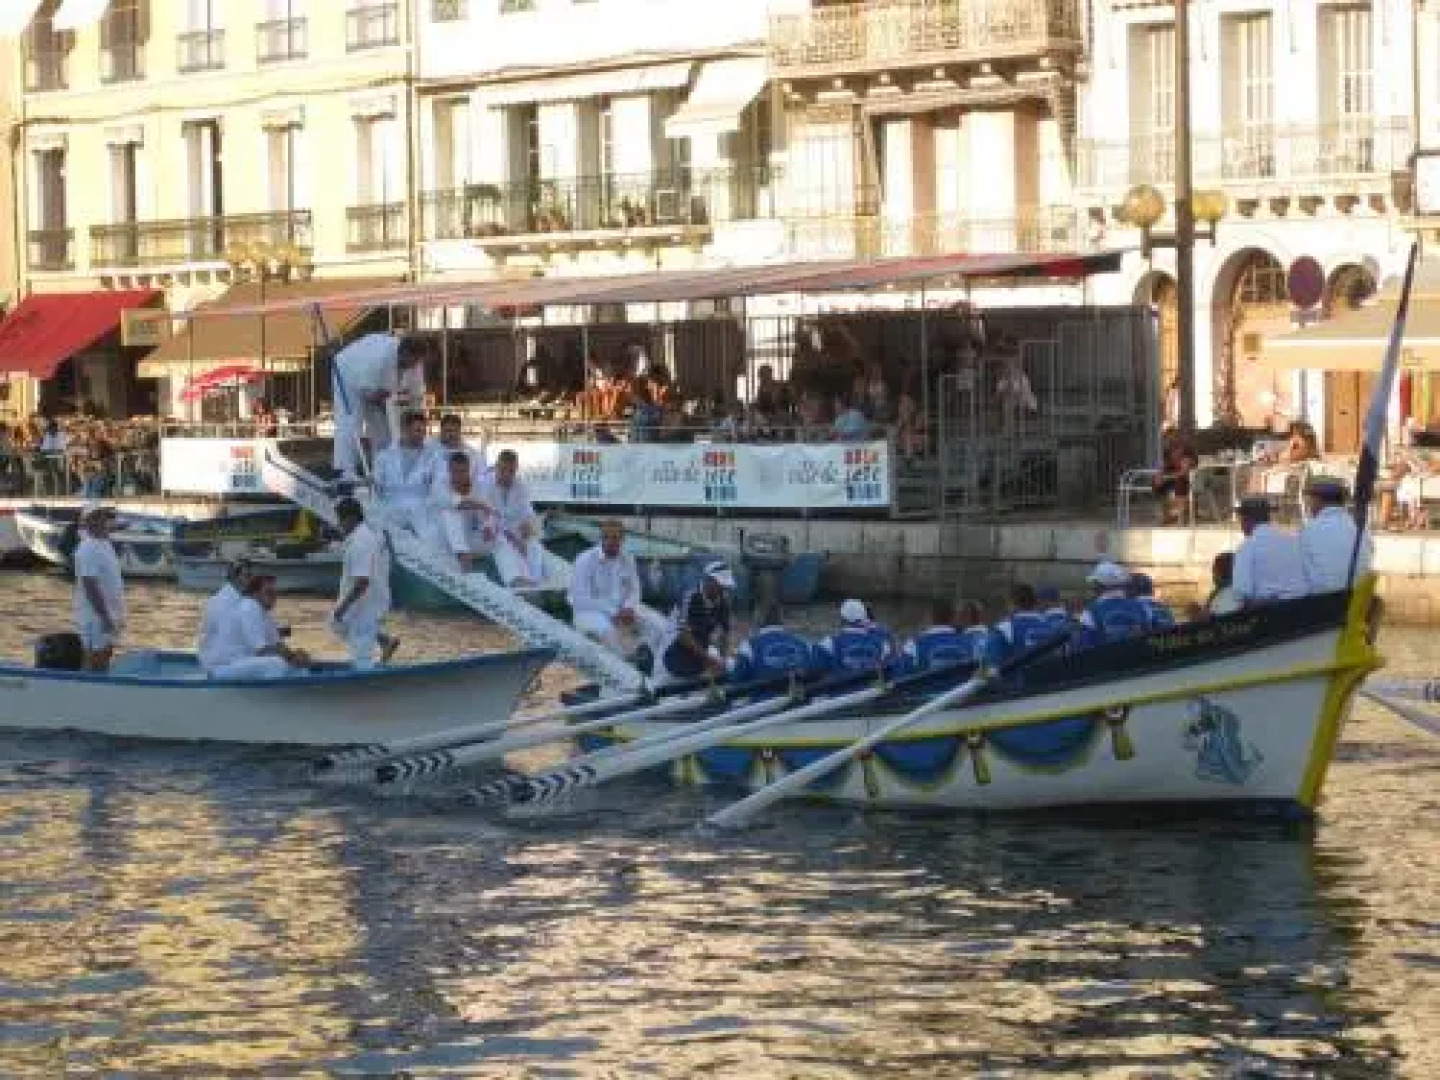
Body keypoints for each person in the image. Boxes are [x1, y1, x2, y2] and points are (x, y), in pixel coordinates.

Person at [331, 332, 428, 478]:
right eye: (408, 362)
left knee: (383, 429)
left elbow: (417, 397)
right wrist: (381, 402)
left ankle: (382, 469)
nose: (411, 366)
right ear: (402, 353)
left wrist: (417, 424)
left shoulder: (415, 363)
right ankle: (346, 471)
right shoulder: (380, 359)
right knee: (351, 421)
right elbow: (369, 394)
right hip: (347, 372)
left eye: (415, 363)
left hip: (375, 385)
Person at [568, 519, 662, 654]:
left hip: (621, 609)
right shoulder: (585, 560)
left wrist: (628, 607)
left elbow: (635, 590)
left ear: (623, 539)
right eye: (606, 537)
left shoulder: (628, 558)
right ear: (601, 538)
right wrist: (613, 612)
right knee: (611, 634)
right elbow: (581, 600)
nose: (611, 542)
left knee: (657, 625)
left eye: (615, 538)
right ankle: (626, 664)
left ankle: (650, 660)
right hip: (590, 612)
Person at [330, 497, 399, 669]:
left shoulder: (360, 542)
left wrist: (343, 607)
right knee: (333, 623)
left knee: (360, 658)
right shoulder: (364, 536)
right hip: (367, 603)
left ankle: (368, 682)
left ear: (351, 519)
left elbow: (362, 583)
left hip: (364, 608)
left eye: (341, 520)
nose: (339, 525)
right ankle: (384, 640)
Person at [212, 574, 311, 679]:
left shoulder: (264, 614)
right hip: (226, 666)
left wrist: (296, 655)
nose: (274, 597)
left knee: (299, 667)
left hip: (245, 663)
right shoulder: (249, 608)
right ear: (255, 594)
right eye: (269, 592)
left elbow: (278, 646)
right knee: (276, 663)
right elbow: (261, 651)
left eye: (275, 593)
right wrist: (292, 657)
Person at [655, 561, 735, 686]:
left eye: (725, 586)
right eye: (720, 585)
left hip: (699, 647)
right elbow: (683, 637)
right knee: (665, 681)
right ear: (709, 580)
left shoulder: (723, 600)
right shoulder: (689, 596)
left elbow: (725, 633)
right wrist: (708, 659)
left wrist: (723, 658)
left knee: (727, 665)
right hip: (672, 644)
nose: (723, 589)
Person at [476, 448, 545, 588]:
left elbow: (527, 510)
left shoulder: (520, 485)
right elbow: (486, 516)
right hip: (489, 530)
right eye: (502, 470)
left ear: (516, 469)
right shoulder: (483, 484)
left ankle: (535, 581)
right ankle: (514, 580)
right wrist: (512, 538)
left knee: (534, 544)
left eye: (511, 471)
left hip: (513, 528)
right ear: (496, 466)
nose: (506, 474)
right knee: (501, 543)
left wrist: (528, 526)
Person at [72, 503, 125, 672]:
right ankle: (88, 693)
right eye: (93, 518)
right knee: (96, 658)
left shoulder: (104, 542)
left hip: (109, 613)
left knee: (106, 653)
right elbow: (90, 586)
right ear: (86, 523)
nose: (99, 521)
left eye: (101, 516)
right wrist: (105, 617)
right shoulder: (88, 548)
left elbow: (113, 527)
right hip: (95, 617)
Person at [1299, 477, 1372, 593]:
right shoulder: (1361, 529)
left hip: (1326, 601)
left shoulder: (1310, 529)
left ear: (1317, 500)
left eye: (1310, 500)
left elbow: (1301, 571)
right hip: (1357, 600)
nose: (1309, 506)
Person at [1232, 496, 1306, 607]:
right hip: (1302, 607)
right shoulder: (1293, 541)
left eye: (1241, 520)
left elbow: (1242, 592)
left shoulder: (1248, 547)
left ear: (1246, 520)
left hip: (1270, 613)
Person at [372, 411, 433, 534]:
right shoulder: (384, 456)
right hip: (390, 511)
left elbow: (436, 487)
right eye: (417, 431)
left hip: (421, 513)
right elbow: (377, 486)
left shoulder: (433, 456)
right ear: (405, 429)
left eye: (423, 431)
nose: (421, 435)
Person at [432, 451, 492, 571]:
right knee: (450, 512)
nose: (459, 476)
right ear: (449, 470)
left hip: (469, 538)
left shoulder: (478, 485)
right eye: (455, 472)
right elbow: (458, 504)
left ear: (469, 470)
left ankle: (465, 555)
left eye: (463, 471)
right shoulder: (439, 485)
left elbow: (487, 510)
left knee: (498, 539)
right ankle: (462, 555)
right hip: (445, 540)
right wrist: (480, 505)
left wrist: (487, 526)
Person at [729, 605, 814, 684]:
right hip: (805, 697)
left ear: (758, 620)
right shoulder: (804, 643)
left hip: (765, 698)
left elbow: (736, 681)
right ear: (782, 619)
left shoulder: (748, 646)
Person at [197, 557, 253, 674]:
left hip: (210, 661)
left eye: (251, 576)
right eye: (247, 576)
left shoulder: (216, 599)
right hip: (225, 664)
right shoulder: (235, 603)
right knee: (276, 663)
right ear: (234, 578)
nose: (251, 580)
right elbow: (234, 639)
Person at [813, 599, 895, 675]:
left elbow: (814, 665)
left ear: (842, 619)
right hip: (877, 682)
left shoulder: (831, 642)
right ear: (864, 614)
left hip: (844, 687)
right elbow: (893, 660)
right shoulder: (883, 636)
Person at [1078, 561, 1150, 647]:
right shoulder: (1141, 608)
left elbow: (1085, 648)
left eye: (1095, 583)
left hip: (1105, 659)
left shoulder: (1090, 612)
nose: (1093, 588)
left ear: (1100, 585)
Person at [988, 582, 1056, 664]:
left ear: (1012, 604)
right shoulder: (1052, 627)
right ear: (1035, 602)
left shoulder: (1004, 629)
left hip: (1015, 675)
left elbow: (989, 667)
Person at [899, 598, 972, 674]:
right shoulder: (968, 643)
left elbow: (901, 674)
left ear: (932, 616)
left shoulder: (914, 644)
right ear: (952, 617)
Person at [425, 412, 487, 486]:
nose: (452, 434)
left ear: (460, 431)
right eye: (448, 431)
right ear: (441, 431)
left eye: (455, 431)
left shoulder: (473, 455)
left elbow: (480, 480)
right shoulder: (428, 450)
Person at [1207, 551, 1242, 616]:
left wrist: (1197, 613)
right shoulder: (1218, 592)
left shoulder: (1230, 595)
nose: (1212, 573)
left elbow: (1213, 618)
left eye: (1215, 569)